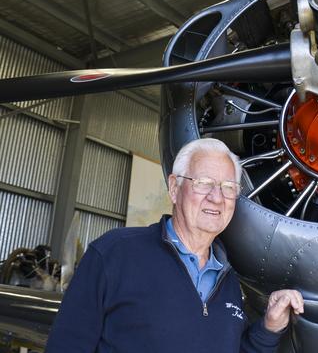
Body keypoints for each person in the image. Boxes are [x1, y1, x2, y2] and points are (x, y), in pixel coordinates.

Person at [46, 138, 304, 353]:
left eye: (228, 187)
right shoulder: (114, 253)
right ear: (174, 188)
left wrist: (269, 327)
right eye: (203, 183)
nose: (216, 198)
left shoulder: (229, 282)